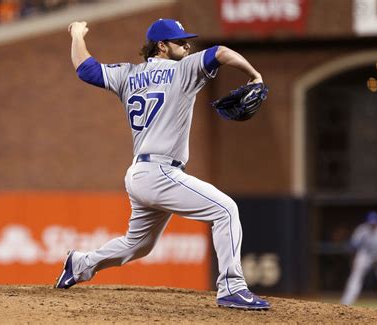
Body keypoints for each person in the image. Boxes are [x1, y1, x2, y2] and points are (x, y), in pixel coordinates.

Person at [54, 18, 270, 310]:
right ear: (162, 46)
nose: (187, 45)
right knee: (226, 210)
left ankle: (79, 264)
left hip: (139, 173)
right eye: (180, 42)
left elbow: (85, 68)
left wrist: (77, 35)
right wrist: (254, 75)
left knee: (138, 245)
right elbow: (219, 52)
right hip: (160, 172)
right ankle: (232, 286)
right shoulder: (183, 69)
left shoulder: (128, 75)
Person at [341, 211, 377, 308]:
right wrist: (354, 259)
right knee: (355, 277)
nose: (373, 224)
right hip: (365, 256)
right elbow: (354, 245)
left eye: (375, 222)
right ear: (367, 222)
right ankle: (346, 302)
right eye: (371, 222)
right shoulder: (362, 230)